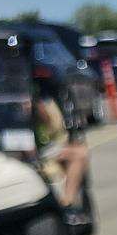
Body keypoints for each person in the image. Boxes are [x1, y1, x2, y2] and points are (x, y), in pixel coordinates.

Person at [34, 82, 90, 226]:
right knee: (78, 154)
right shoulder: (3, 97)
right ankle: (67, 205)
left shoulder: (43, 96)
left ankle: (68, 203)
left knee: (80, 152)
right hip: (30, 148)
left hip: (47, 147)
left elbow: (51, 124)